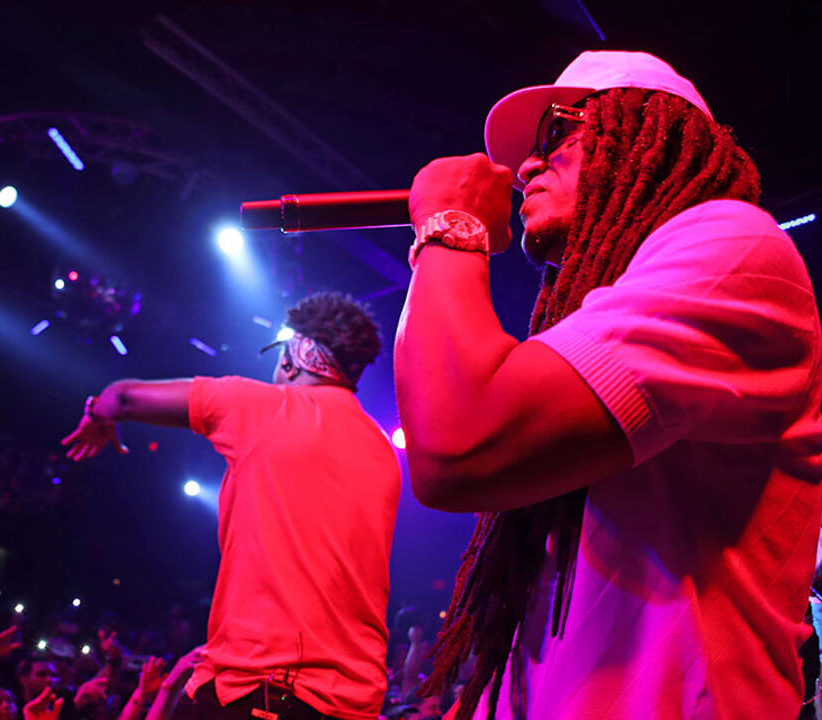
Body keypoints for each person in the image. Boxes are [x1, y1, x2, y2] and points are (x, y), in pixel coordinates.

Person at [395, 50, 822, 719]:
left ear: (643, 130)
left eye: (556, 133)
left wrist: (452, 225)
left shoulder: (735, 245)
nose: (526, 166)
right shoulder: (594, 319)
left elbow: (457, 443)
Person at [63, 292, 402, 720]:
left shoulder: (264, 407)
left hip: (261, 691)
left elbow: (124, 397)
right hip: (354, 702)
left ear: (295, 354)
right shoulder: (382, 450)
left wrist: (96, 416)